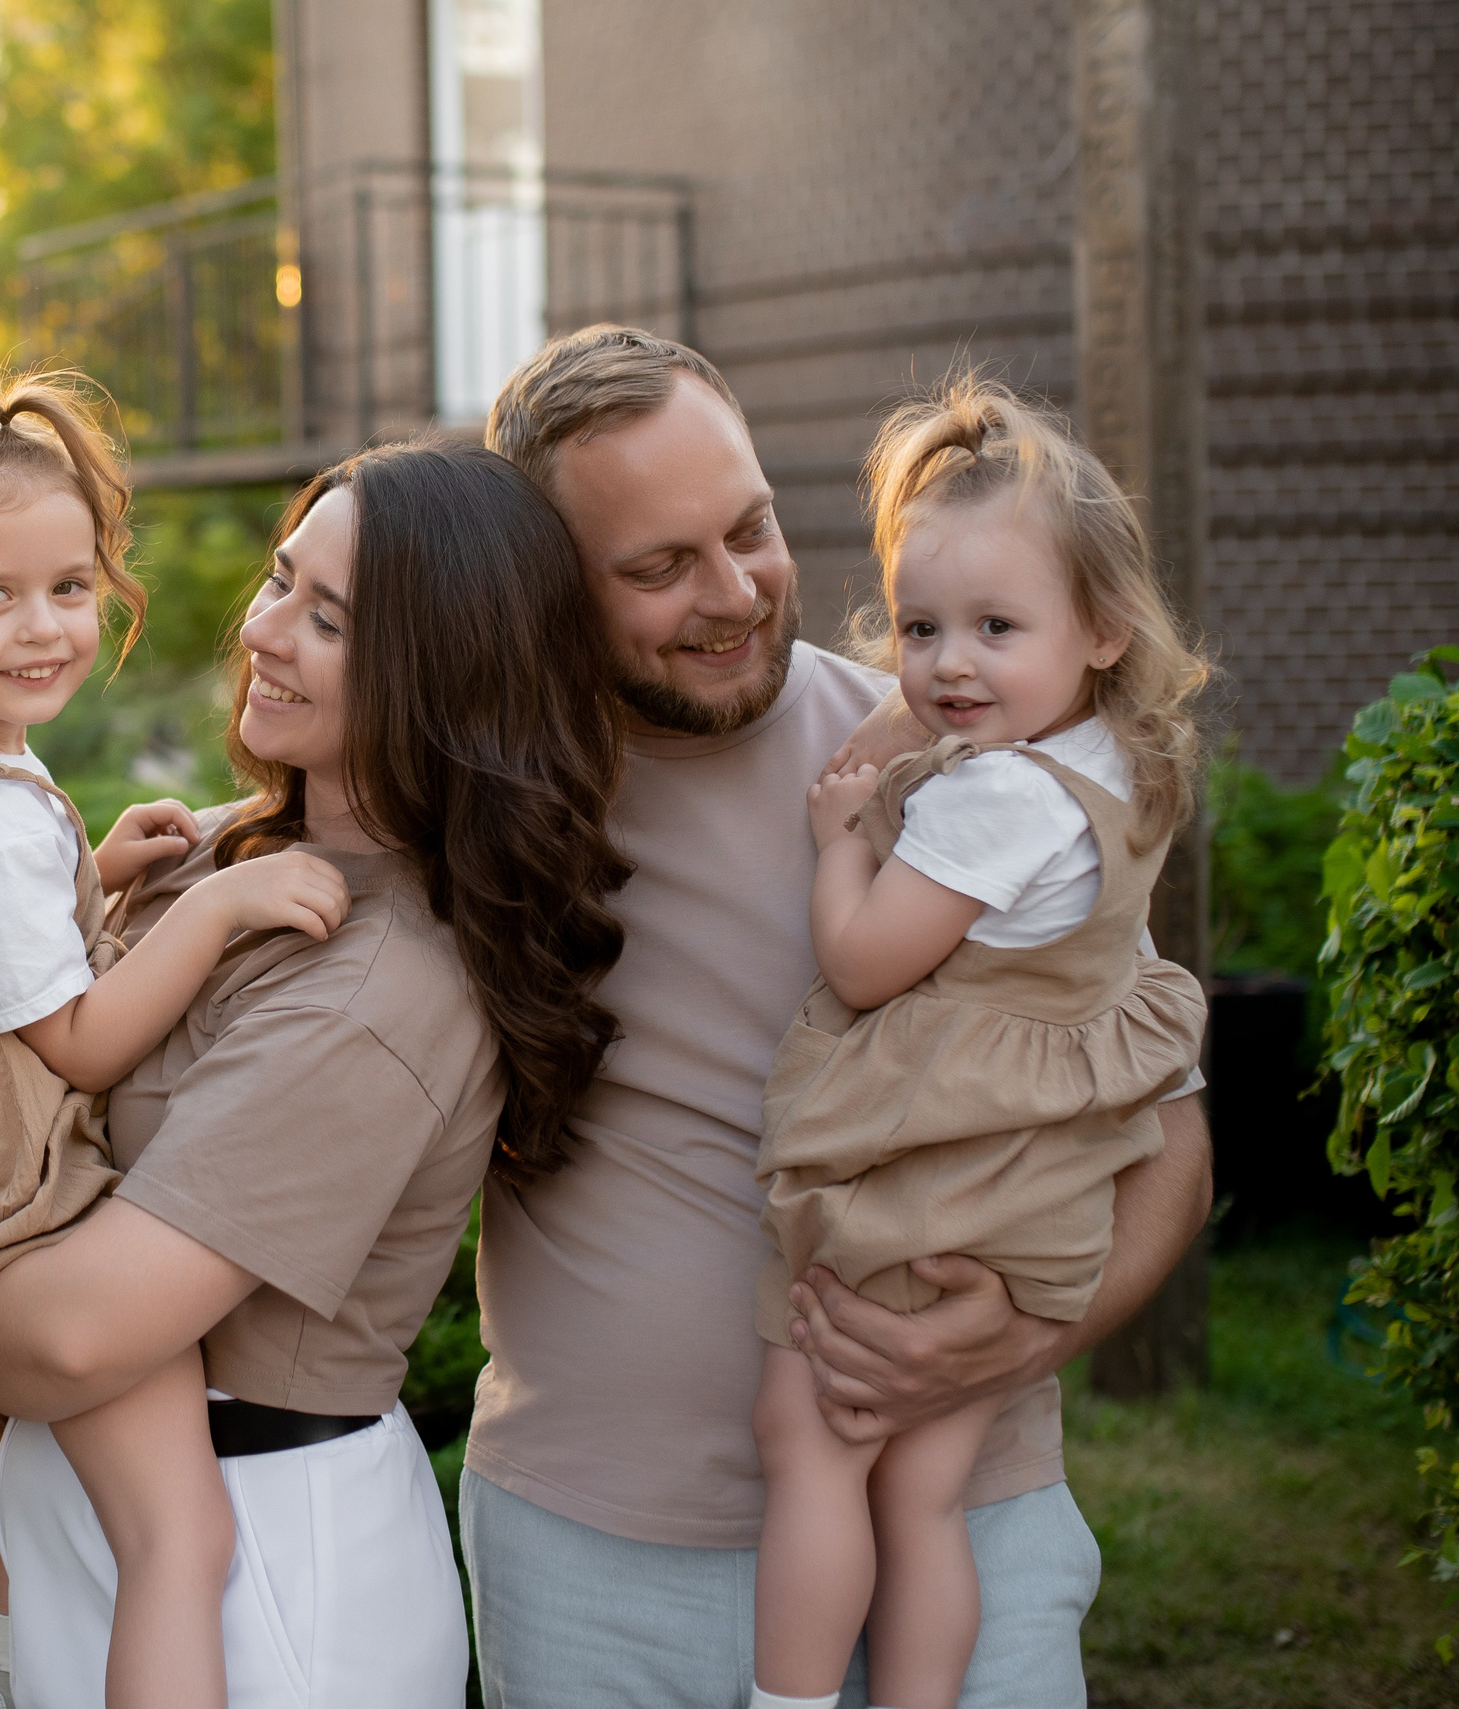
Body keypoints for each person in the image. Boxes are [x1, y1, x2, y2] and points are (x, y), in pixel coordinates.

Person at [461, 326, 1213, 1709]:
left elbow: (1165, 1124)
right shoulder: (482, 799)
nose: (734, 591)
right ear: (548, 586)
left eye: (748, 527)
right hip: (594, 1562)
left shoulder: (959, 758)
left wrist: (1028, 1336)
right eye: (656, 566)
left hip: (965, 1525)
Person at [0, 439, 632, 1708]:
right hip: (105, 1527)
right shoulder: (225, 860)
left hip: (266, 1581)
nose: (263, 629)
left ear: (441, 673)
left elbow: (83, 1334)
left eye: (329, 617)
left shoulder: (375, 984)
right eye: (280, 580)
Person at [0, 375, 354, 1709]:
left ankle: (2, 1666)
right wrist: (218, 906)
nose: (45, 628)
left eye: (69, 585)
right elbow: (85, 1043)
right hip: (1, 1215)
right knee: (181, 1537)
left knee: (45, 1491)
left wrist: (93, 877)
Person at [747, 377, 1212, 1709]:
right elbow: (954, 705)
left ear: (1103, 627)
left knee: (812, 1438)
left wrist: (840, 845)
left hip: (930, 1178)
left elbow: (866, 958)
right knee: (927, 1492)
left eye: (994, 628)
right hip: (1033, 1202)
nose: (949, 664)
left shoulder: (996, 803)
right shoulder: (1102, 763)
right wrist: (933, 705)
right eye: (919, 626)